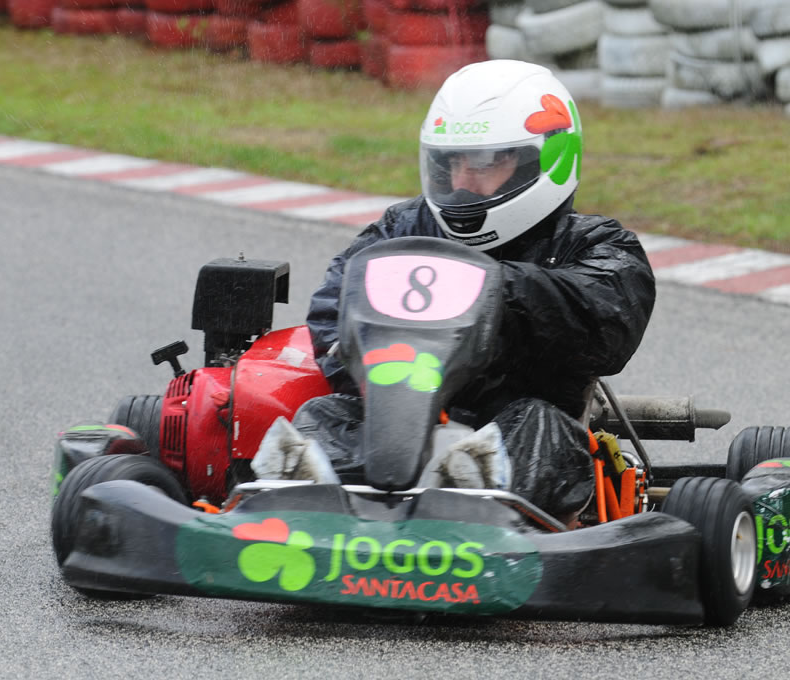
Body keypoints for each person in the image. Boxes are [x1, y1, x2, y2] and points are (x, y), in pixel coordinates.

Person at [257, 59, 656, 526]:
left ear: (547, 158)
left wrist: (492, 292)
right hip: (392, 419)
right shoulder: (400, 230)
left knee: (539, 427)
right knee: (322, 414)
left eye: (487, 164)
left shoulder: (595, 245)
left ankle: (469, 491)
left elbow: (606, 320)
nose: (464, 182)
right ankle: (300, 497)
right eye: (452, 164)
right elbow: (331, 313)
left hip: (518, 421)